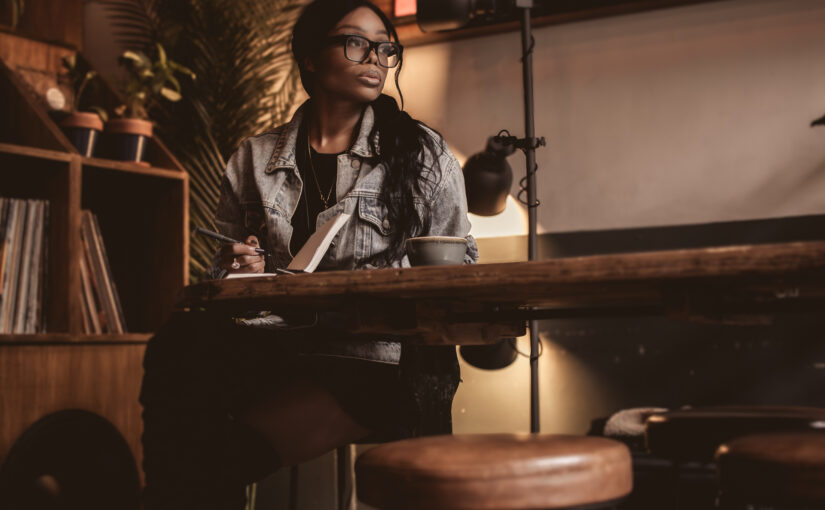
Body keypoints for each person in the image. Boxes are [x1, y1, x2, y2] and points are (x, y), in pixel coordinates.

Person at [139, 0, 478, 508]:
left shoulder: (421, 155)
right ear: (311, 58)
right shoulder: (253, 158)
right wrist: (240, 269)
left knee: (205, 461)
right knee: (179, 342)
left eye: (385, 48)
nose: (375, 58)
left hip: (374, 359)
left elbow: (461, 266)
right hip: (275, 348)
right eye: (356, 42)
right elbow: (224, 275)